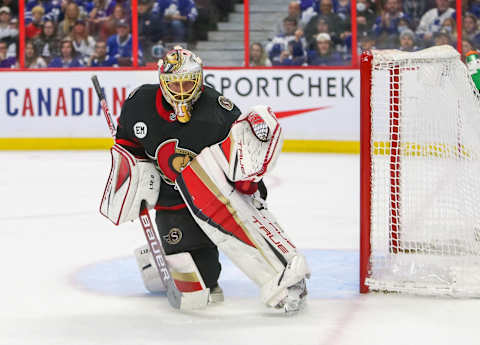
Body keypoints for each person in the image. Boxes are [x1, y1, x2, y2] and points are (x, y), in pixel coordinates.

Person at [99, 46, 310, 314]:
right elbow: (129, 145)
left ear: (200, 79)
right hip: (172, 199)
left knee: (230, 246)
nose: (182, 91)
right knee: (200, 277)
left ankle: (282, 273)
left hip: (216, 196)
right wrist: (132, 175)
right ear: (161, 82)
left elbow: (242, 162)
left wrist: (249, 194)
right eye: (174, 84)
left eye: (188, 82)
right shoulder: (139, 103)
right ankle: (160, 256)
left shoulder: (218, 111)